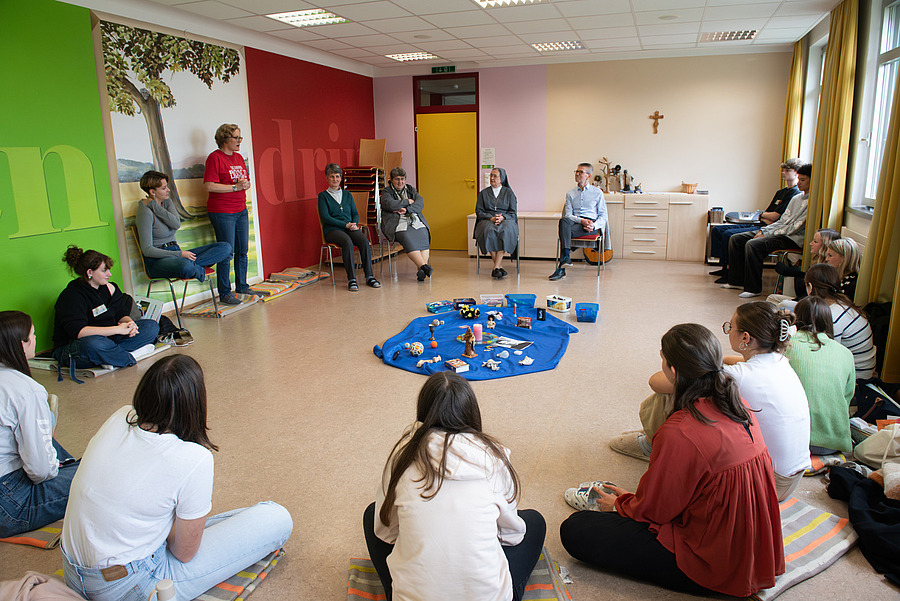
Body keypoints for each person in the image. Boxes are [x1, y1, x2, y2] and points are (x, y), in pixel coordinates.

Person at [562, 324, 784, 597]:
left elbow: (656, 510)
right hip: (753, 547)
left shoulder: (680, 431)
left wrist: (620, 504)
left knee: (576, 529)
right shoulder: (739, 404)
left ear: (674, 372)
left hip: (717, 560)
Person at [61, 355, 293, 601]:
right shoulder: (194, 458)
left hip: (73, 574)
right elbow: (184, 553)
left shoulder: (120, 416)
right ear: (194, 403)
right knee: (275, 517)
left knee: (205, 521)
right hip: (130, 584)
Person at [363, 372, 546, 601]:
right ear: (471, 411)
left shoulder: (403, 456)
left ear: (423, 411)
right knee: (534, 522)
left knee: (372, 513)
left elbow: (385, 532)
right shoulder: (494, 457)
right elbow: (511, 536)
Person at [611, 303, 811, 501]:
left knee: (679, 389)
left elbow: (656, 382)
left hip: (765, 483)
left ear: (745, 338)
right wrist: (715, 359)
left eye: (730, 327)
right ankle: (653, 438)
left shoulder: (739, 376)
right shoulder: (780, 362)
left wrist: (700, 360)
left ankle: (651, 443)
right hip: (790, 477)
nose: (728, 331)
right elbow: (735, 361)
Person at [0, 311, 79, 537]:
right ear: (20, 344)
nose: (35, 338)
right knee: (97, 471)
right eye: (32, 335)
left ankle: (59, 456)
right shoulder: (25, 389)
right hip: (10, 504)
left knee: (46, 444)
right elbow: (40, 471)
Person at [52, 246, 159, 373]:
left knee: (151, 326)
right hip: (78, 345)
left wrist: (130, 324)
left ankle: (111, 357)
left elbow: (121, 313)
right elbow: (79, 332)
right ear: (90, 272)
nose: (109, 274)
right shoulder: (72, 295)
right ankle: (129, 356)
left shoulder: (110, 288)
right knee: (94, 344)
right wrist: (118, 329)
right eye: (104, 270)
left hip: (110, 340)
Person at [723, 162, 811, 297]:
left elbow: (794, 228)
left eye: (803, 180)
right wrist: (764, 231)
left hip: (792, 238)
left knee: (753, 244)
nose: (798, 183)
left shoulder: (812, 202)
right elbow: (782, 221)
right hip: (778, 231)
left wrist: (767, 233)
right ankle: (736, 280)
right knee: (736, 239)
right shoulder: (796, 198)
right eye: (798, 179)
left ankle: (753, 288)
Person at [710, 158, 803, 282]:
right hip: (761, 222)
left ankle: (730, 271)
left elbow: (775, 217)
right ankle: (724, 265)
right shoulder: (781, 192)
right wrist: (764, 215)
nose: (783, 172)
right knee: (718, 230)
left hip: (767, 226)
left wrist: (764, 215)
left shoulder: (795, 194)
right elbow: (768, 213)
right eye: (783, 170)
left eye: (787, 170)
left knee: (728, 235)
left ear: (796, 173)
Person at [135, 170, 232, 288]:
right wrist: (179, 254)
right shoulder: (145, 213)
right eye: (164, 188)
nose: (168, 190)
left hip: (177, 254)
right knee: (185, 266)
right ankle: (194, 267)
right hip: (158, 261)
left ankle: (194, 268)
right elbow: (147, 250)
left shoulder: (167, 202)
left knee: (225, 247)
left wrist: (154, 206)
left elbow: (176, 224)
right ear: (152, 192)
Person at [784, 296, 855, 454]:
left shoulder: (786, 346)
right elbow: (847, 396)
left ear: (796, 319)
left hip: (796, 440)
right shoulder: (846, 353)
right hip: (835, 442)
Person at [204, 123, 252, 305]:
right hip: (223, 212)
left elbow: (245, 181)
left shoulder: (239, 157)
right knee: (226, 252)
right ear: (225, 139)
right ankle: (224, 293)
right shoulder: (215, 158)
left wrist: (245, 184)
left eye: (240, 137)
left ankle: (242, 286)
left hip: (240, 210)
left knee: (243, 251)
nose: (239, 141)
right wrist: (234, 187)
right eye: (236, 138)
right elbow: (209, 185)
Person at [805, 263, 875, 379]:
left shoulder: (831, 316)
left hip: (857, 377)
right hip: (863, 369)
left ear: (810, 287)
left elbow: (828, 357)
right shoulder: (842, 303)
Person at [319, 163, 381, 291]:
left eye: (337, 176)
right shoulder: (323, 196)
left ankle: (369, 276)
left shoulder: (347, 194)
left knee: (364, 241)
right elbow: (326, 217)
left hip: (349, 227)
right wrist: (345, 225)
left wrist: (354, 225)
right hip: (332, 230)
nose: (335, 179)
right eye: (332, 176)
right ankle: (352, 279)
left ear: (341, 178)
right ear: (327, 178)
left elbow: (355, 213)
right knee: (347, 242)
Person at [549, 163, 609, 281]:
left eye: (580, 172)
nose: (577, 174)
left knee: (564, 232)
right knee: (564, 221)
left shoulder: (597, 193)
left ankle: (562, 266)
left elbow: (603, 216)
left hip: (590, 224)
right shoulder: (570, 194)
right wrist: (581, 221)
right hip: (575, 221)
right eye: (576, 171)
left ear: (589, 176)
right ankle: (565, 258)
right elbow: (568, 215)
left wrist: (593, 225)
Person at [380, 167, 432, 281]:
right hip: (397, 223)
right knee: (406, 236)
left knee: (424, 233)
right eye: (397, 179)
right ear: (391, 180)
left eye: (402, 179)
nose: (400, 182)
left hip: (414, 219)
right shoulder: (386, 192)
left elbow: (420, 204)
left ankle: (422, 269)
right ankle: (424, 266)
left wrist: (407, 209)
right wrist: (407, 201)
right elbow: (389, 204)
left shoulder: (410, 189)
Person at [766, 227, 840, 307]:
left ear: (824, 245)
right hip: (804, 300)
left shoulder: (826, 270)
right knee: (772, 298)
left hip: (813, 305)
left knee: (782, 304)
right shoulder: (816, 262)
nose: (811, 243)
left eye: (815, 242)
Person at [474, 167, 518, 279]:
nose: (492, 178)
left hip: (506, 219)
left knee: (505, 231)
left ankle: (496, 267)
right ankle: (498, 267)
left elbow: (513, 212)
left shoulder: (509, 193)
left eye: (495, 176)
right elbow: (479, 212)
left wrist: (503, 217)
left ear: (501, 178)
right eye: (491, 175)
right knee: (489, 231)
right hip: (487, 219)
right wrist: (491, 218)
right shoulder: (483, 193)